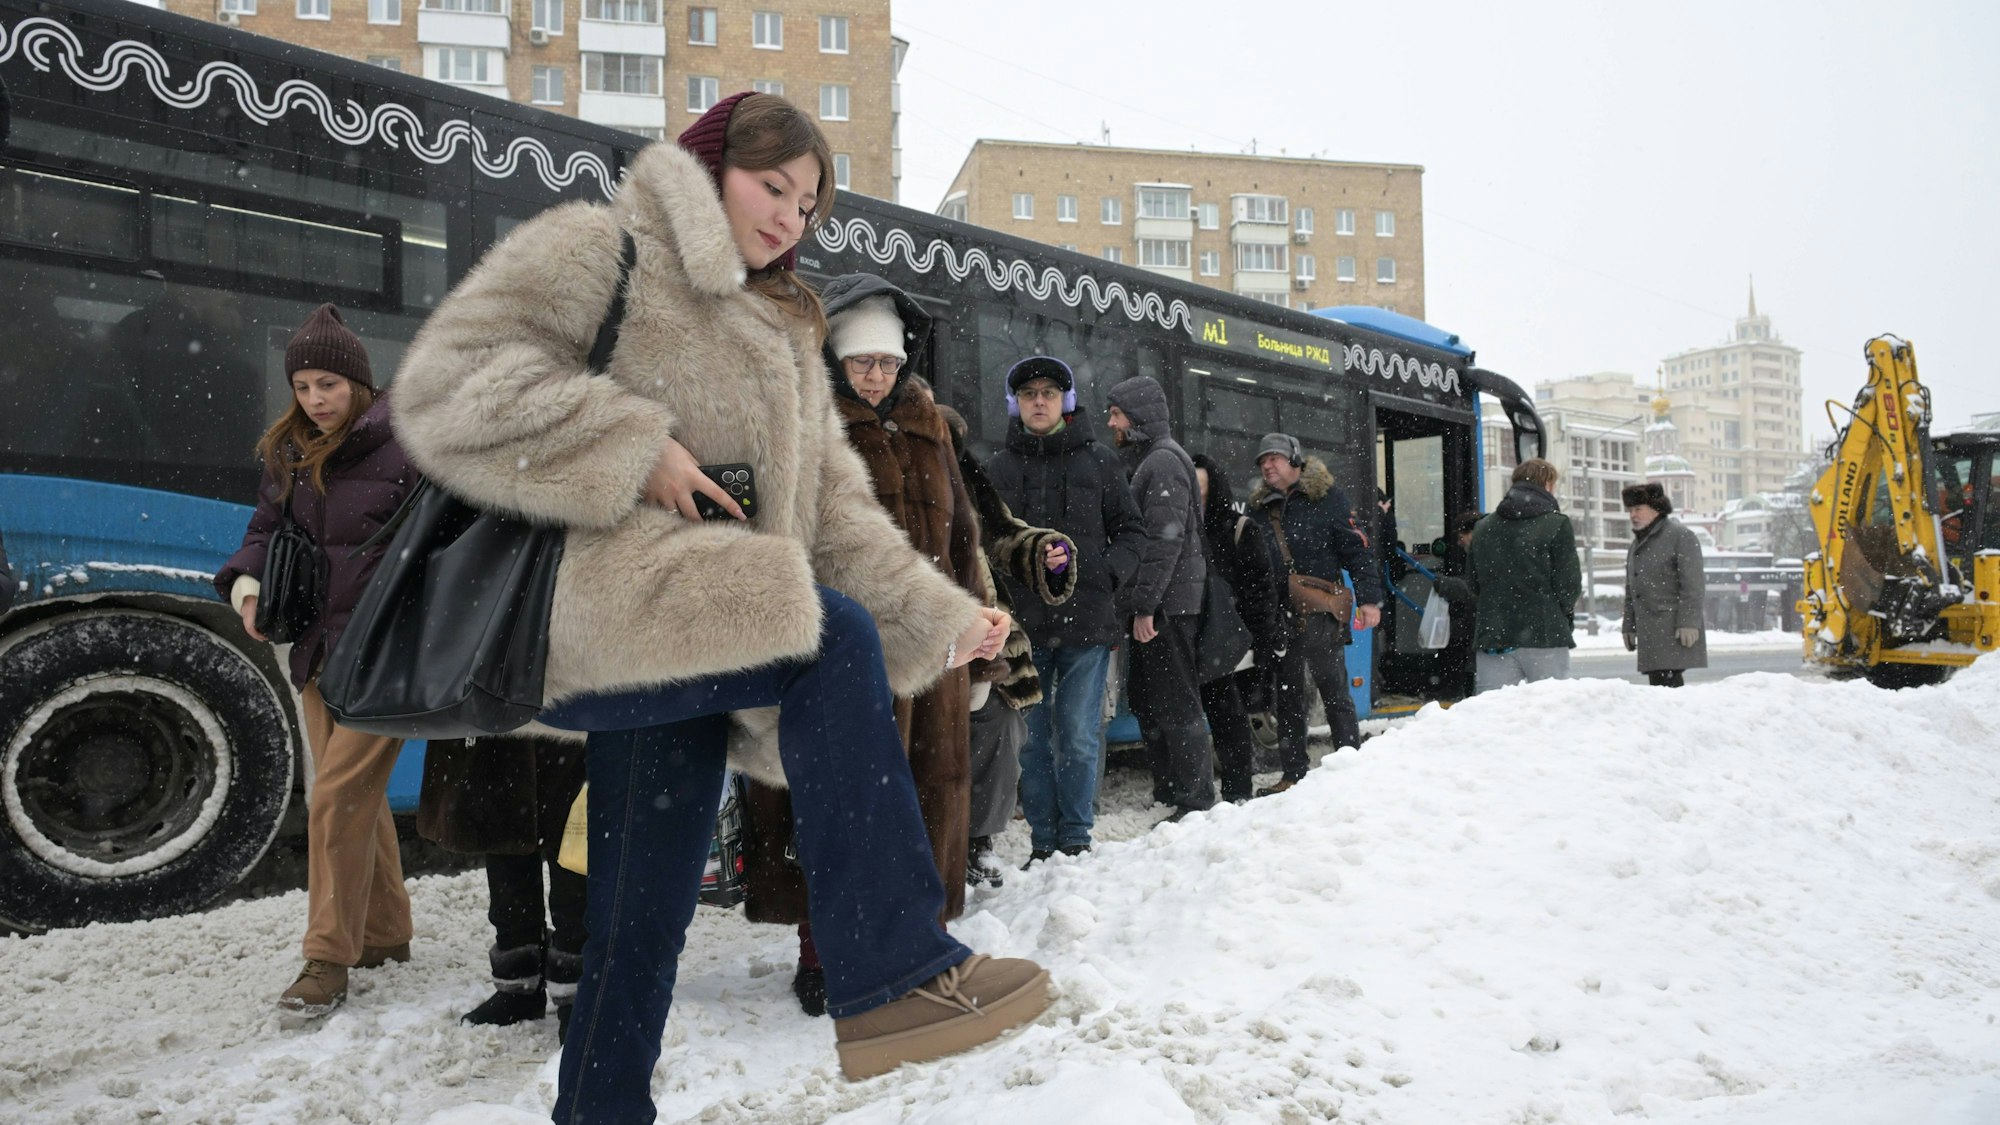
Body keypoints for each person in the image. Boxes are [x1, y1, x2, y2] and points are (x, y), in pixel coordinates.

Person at [388, 93, 1048, 1119]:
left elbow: (832, 515)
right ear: (708, 166)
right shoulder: (599, 249)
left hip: (702, 635)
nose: (790, 215)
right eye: (771, 185)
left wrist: (944, 616)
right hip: (603, 610)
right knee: (832, 640)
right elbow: (445, 386)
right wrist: (627, 444)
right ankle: (891, 973)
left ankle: (598, 1110)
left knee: (635, 922)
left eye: (809, 202)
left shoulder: (787, 330)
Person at [739, 273, 987, 1018]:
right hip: (845, 647)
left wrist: (979, 631)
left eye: (886, 362)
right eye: (861, 363)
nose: (876, 375)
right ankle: (827, 953)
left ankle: (922, 943)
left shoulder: (931, 425)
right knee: (837, 807)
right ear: (836, 363)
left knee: (928, 801)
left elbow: (964, 539)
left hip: (934, 652)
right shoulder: (807, 423)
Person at [214, 303, 417, 1023]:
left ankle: (328, 957)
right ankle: (387, 933)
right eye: (302, 385)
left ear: (358, 381)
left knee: (333, 797)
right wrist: (247, 584)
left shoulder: (407, 444)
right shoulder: (290, 452)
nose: (314, 399)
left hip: (385, 653)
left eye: (327, 383)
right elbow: (263, 532)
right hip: (316, 650)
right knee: (352, 797)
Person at [985, 356, 1146, 863]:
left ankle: (1075, 838)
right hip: (1022, 629)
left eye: (1049, 393)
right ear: (1016, 404)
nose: (1038, 401)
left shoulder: (1100, 461)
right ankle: (1042, 842)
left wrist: (1103, 574)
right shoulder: (996, 470)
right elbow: (982, 545)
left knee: (1077, 735)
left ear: (1065, 402)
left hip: (1087, 624)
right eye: (1029, 393)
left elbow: (1134, 533)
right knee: (1030, 743)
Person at [936, 402, 1076, 889]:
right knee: (922, 741)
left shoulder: (967, 483)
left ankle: (977, 843)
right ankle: (929, 849)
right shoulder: (891, 479)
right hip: (919, 632)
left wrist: (1043, 551)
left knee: (1001, 728)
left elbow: (1003, 533)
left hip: (985, 635)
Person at [415, 733, 588, 1039]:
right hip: (505, 704)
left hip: (568, 704)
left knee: (573, 840)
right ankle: (518, 984)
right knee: (503, 824)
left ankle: (579, 991)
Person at [1247, 434, 1384, 796]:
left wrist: (1369, 600)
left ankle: (1349, 764)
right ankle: (1293, 775)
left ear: (1295, 460)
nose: (1267, 466)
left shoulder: (1328, 499)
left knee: (1334, 691)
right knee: (1288, 697)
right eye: (1263, 461)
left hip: (1320, 613)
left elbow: (1357, 552)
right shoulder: (1258, 509)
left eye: (1274, 458)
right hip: (1277, 615)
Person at [1104, 376, 1214, 817]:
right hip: (1163, 604)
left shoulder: (1163, 462)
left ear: (1138, 417)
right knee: (1153, 701)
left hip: (1168, 608)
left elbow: (1163, 543)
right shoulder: (1152, 459)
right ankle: (1171, 791)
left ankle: (1194, 797)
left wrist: (1146, 605)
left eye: (1116, 414)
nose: (1110, 422)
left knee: (1176, 702)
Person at [1191, 453, 1283, 803]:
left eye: (1203, 492)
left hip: (1233, 638)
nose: (1198, 500)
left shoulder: (1239, 527)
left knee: (1228, 717)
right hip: (1194, 635)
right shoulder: (1181, 529)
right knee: (1207, 717)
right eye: (1192, 491)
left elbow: (1263, 589)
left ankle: (1237, 793)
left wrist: (1261, 641)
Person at [1461, 458, 1583, 692]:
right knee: (1551, 709)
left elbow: (1473, 583)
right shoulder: (1556, 524)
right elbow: (1569, 585)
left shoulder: (1483, 527)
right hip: (1545, 633)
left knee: (1494, 714)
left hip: (1493, 636)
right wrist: (1558, 612)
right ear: (1547, 484)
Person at [1621, 481, 1707, 687]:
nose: (1633, 515)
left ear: (1656, 509)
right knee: (1660, 688)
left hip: (1671, 629)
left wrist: (1689, 622)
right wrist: (1629, 626)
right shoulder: (1637, 544)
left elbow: (1693, 585)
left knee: (1668, 687)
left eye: (1638, 509)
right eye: (1630, 510)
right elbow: (1631, 591)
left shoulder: (1680, 536)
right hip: (1651, 633)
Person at [1430, 510, 1484, 700]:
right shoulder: (1480, 551)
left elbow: (1480, 591)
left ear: (1473, 532)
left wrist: (1448, 585)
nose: (1460, 542)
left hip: (1485, 634)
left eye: (1462, 537)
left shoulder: (1488, 552)